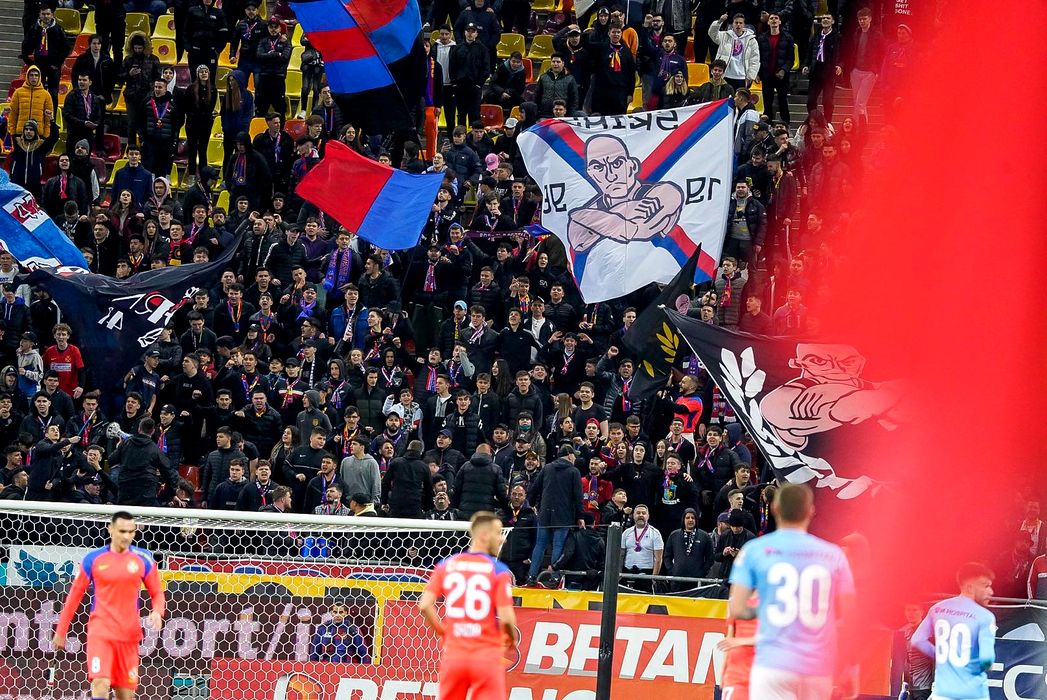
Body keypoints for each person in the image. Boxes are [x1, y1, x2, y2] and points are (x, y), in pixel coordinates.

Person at [728, 483, 857, 700]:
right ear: (811, 512)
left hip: (772, 664)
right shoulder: (833, 555)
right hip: (817, 668)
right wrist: (850, 667)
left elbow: (738, 609)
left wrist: (767, 609)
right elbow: (850, 618)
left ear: (775, 508)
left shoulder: (753, 551)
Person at [53, 512, 165, 700]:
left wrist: (157, 611)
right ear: (110, 530)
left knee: (125, 694)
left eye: (131, 532)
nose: (126, 536)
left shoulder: (144, 558)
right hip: (101, 632)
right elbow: (74, 596)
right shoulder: (93, 558)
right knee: (100, 682)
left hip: (128, 636)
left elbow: (157, 593)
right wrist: (61, 631)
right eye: (122, 531)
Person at [418, 511, 517, 700]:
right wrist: (511, 638)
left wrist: (443, 632)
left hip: (454, 656)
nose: (502, 539)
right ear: (484, 535)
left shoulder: (446, 565)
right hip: (486, 656)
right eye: (498, 533)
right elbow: (506, 618)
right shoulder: (498, 570)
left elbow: (424, 605)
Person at [911, 563, 997, 700]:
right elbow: (987, 659)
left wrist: (942, 655)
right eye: (985, 586)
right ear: (970, 587)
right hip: (973, 694)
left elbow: (917, 640)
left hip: (942, 693)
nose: (991, 592)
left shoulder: (937, 609)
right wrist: (986, 665)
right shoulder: (985, 616)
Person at [621, 503, 663, 592]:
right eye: (638, 513)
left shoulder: (655, 533)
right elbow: (621, 555)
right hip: (627, 572)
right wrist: (619, 574)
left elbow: (658, 559)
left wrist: (653, 578)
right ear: (633, 515)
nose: (641, 515)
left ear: (648, 516)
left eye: (643, 513)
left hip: (646, 574)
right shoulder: (626, 533)